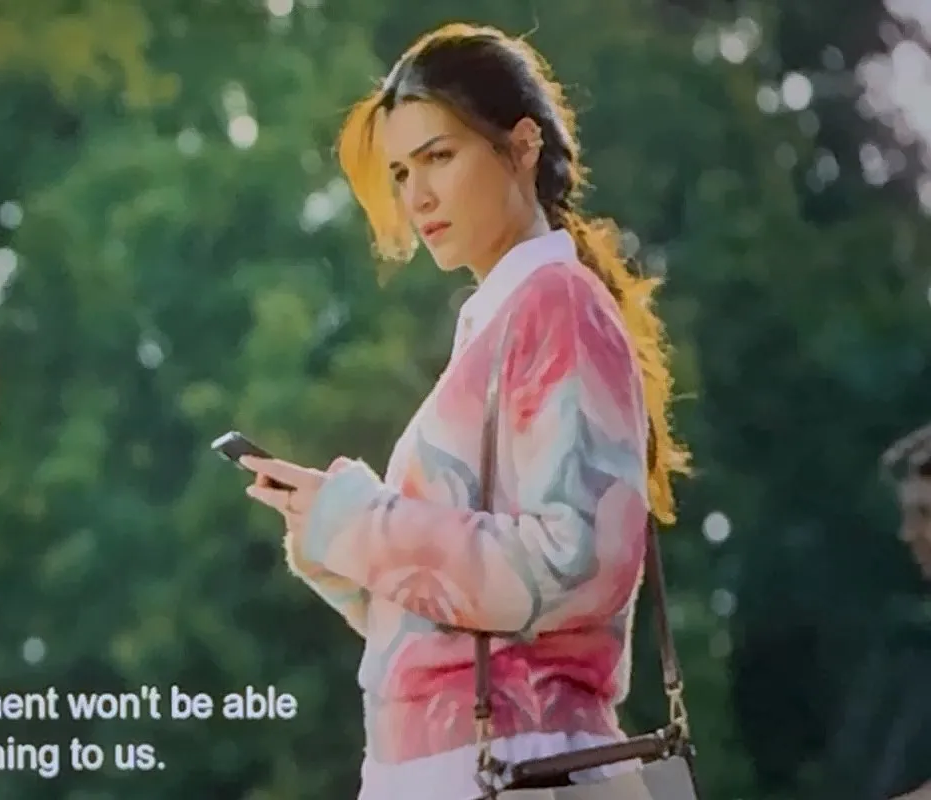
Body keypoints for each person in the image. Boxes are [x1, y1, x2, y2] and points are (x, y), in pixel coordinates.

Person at [236, 23, 690, 800]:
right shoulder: (502, 316)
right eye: (401, 171)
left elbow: (578, 561)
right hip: (455, 762)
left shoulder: (555, 301)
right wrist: (335, 537)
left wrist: (365, 523)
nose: (417, 196)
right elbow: (461, 620)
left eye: (439, 157)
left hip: (519, 758)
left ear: (522, 146)